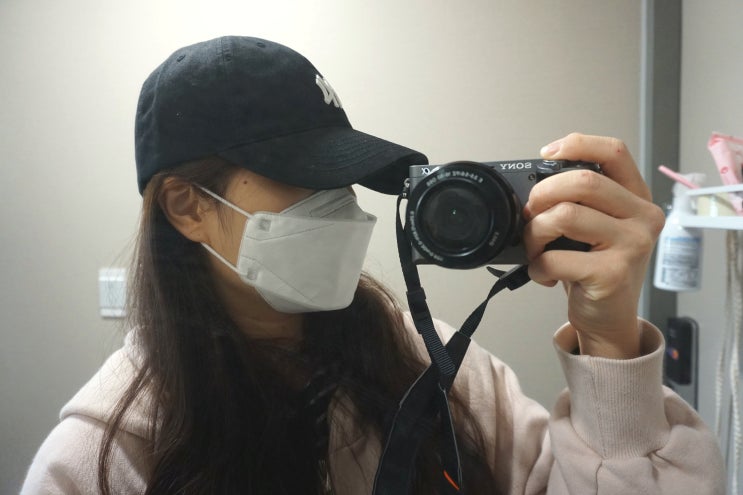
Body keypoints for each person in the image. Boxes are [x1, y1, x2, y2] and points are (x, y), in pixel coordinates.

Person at [21, 35, 725, 495]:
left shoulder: (445, 377)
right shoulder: (105, 458)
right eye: (304, 179)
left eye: (345, 180)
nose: (342, 211)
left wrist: (608, 339)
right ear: (187, 206)